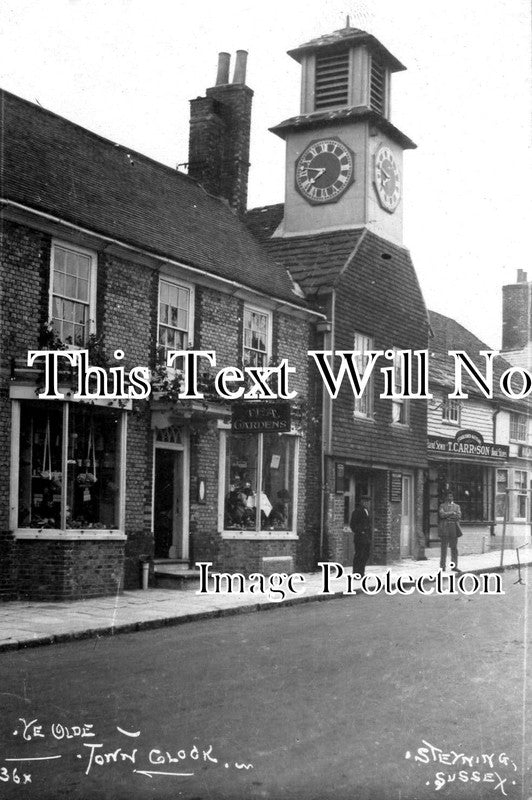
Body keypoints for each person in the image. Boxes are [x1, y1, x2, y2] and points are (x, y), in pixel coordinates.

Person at [438, 491, 462, 572]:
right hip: (444, 528)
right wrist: (452, 513)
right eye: (448, 496)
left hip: (453, 528)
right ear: (446, 497)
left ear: (453, 497)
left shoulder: (457, 506)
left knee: (454, 548)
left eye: (451, 496)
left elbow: (458, 516)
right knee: (443, 548)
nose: (450, 498)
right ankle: (442, 566)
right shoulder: (442, 505)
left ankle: (454, 566)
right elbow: (441, 515)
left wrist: (447, 515)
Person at [350, 495, 372, 578]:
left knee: (365, 555)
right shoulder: (357, 511)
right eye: (367, 502)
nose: (368, 503)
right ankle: (356, 573)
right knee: (359, 555)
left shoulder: (367, 511)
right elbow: (353, 525)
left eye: (369, 502)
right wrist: (360, 531)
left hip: (367, 538)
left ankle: (362, 572)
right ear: (363, 502)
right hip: (360, 538)